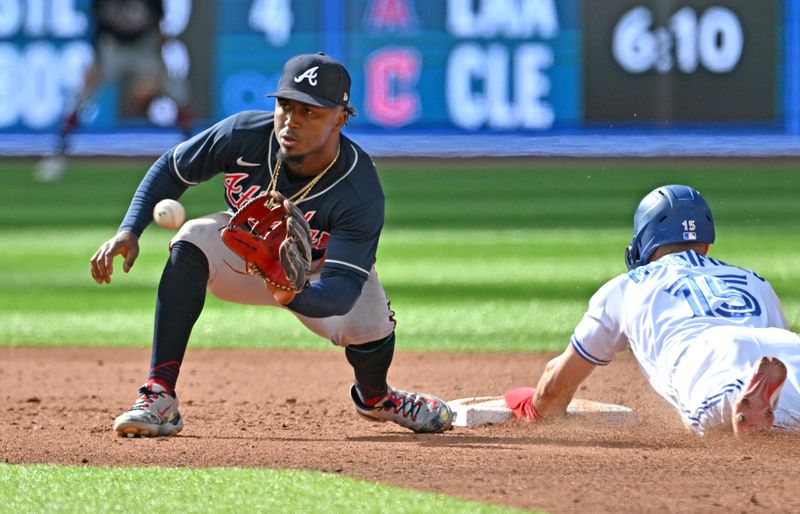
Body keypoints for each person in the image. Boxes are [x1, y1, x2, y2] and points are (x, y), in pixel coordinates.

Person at [89, 52, 453, 437]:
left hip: (318, 278)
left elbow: (343, 290)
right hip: (244, 256)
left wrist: (291, 293)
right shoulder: (244, 135)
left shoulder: (358, 188)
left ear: (340, 118)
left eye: (310, 112)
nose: (291, 120)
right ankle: (159, 395)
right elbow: (171, 168)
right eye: (285, 105)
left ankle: (378, 399)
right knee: (193, 238)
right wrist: (130, 229)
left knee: (373, 326)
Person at [504, 184, 800, 438]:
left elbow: (557, 384)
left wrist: (533, 406)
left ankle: (740, 395)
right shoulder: (755, 280)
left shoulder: (625, 286)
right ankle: (765, 400)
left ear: (643, 242)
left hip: (710, 356)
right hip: (785, 349)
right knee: (787, 411)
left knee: (721, 416)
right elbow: (774, 344)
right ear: (706, 243)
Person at [35, 0, 192, 182]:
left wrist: (159, 62)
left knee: (177, 91)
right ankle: (58, 154)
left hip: (144, 46)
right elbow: (98, 24)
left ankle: (194, 154)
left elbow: (157, 23)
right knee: (81, 96)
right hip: (112, 47)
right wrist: (96, 61)